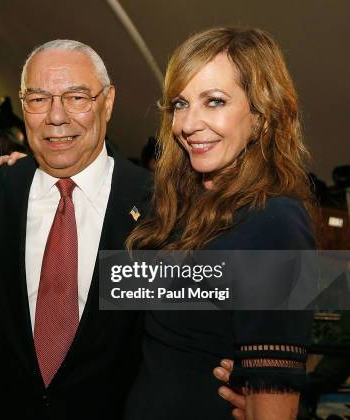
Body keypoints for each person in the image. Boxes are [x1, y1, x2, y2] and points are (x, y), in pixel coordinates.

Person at [0, 39, 239, 420]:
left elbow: (219, 307)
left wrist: (248, 374)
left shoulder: (163, 207)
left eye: (77, 97)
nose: (56, 116)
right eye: (38, 98)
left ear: (108, 102)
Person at [124, 27, 315, 419]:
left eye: (214, 101)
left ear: (262, 116)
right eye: (180, 103)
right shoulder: (180, 206)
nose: (188, 123)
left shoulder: (274, 223)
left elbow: (274, 408)